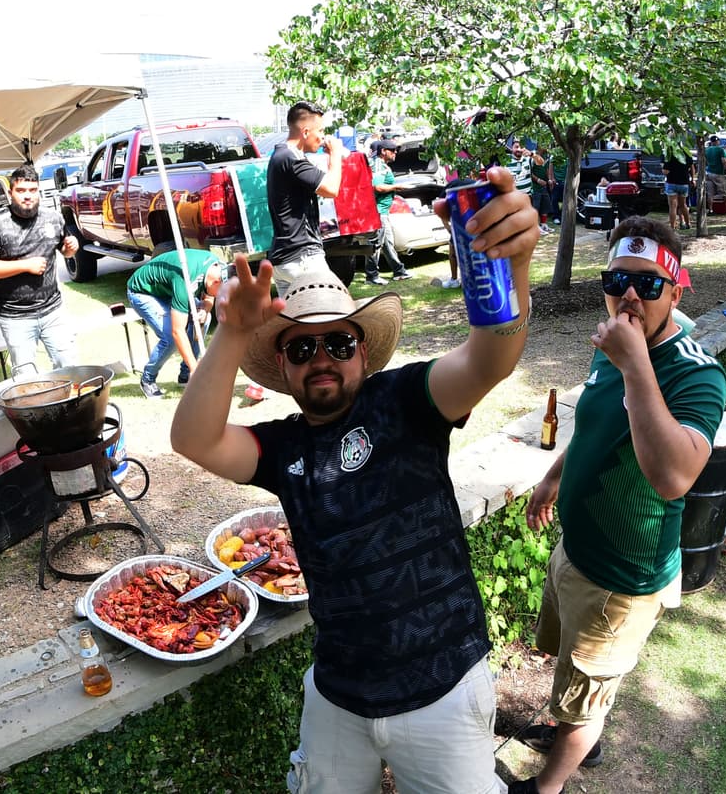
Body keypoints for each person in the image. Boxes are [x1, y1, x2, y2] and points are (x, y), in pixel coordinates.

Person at [171, 165, 538, 794]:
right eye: (301, 348)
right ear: (281, 367)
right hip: (339, 694)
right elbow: (194, 440)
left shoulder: (406, 401)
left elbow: (491, 357)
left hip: (442, 687)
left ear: (363, 352)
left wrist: (516, 265)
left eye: (338, 344)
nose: (322, 359)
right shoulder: (282, 446)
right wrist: (232, 335)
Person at [517, 216, 726, 794]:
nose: (629, 295)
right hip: (578, 551)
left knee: (589, 693)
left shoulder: (696, 373)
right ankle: (577, 728)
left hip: (621, 577)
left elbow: (673, 477)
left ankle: (549, 783)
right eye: (616, 280)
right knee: (569, 665)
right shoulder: (609, 341)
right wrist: (552, 477)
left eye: (649, 284)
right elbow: (592, 423)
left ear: (676, 290)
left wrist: (636, 362)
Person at [0, 165, 80, 371]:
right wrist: (25, 265)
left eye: (32, 190)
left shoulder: (54, 217)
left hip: (53, 310)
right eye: (21, 191)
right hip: (15, 317)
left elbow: (64, 251)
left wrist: (70, 249)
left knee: (69, 366)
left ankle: (70, 405)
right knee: (26, 377)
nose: (27, 196)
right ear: (10, 193)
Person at [126, 248, 226, 398]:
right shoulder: (186, 281)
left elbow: (209, 297)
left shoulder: (216, 268)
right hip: (143, 292)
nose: (222, 297)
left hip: (168, 289)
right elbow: (177, 331)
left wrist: (205, 309)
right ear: (217, 281)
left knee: (206, 320)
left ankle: (185, 375)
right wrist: (196, 368)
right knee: (170, 338)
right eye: (223, 292)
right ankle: (148, 379)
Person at [266, 101, 343, 295]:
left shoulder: (282, 154)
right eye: (321, 131)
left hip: (285, 259)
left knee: (297, 324)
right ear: (306, 132)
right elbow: (331, 189)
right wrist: (335, 154)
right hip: (304, 257)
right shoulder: (292, 158)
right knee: (332, 312)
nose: (323, 137)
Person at [362, 139, 412, 285]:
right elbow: (377, 187)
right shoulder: (378, 164)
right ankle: (371, 276)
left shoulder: (381, 164)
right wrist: (397, 187)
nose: (395, 153)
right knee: (376, 243)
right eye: (393, 150)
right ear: (383, 151)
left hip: (382, 210)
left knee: (387, 243)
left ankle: (399, 271)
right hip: (377, 211)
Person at [508, 139, 548, 234]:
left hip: (527, 196)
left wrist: (532, 155)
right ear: (511, 148)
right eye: (516, 147)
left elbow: (541, 162)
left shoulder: (527, 159)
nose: (519, 149)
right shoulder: (506, 160)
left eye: (521, 147)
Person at [663, 151, 693, 230]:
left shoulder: (669, 155)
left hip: (672, 182)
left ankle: (672, 226)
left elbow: (665, 171)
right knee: (683, 205)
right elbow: (692, 167)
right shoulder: (686, 154)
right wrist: (693, 179)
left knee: (673, 206)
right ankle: (688, 223)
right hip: (684, 183)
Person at [703, 135, 726, 207]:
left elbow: (705, 162)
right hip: (719, 173)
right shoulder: (721, 150)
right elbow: (724, 162)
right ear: (717, 141)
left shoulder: (707, 150)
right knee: (724, 192)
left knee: (710, 193)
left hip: (709, 173)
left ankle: (710, 209)